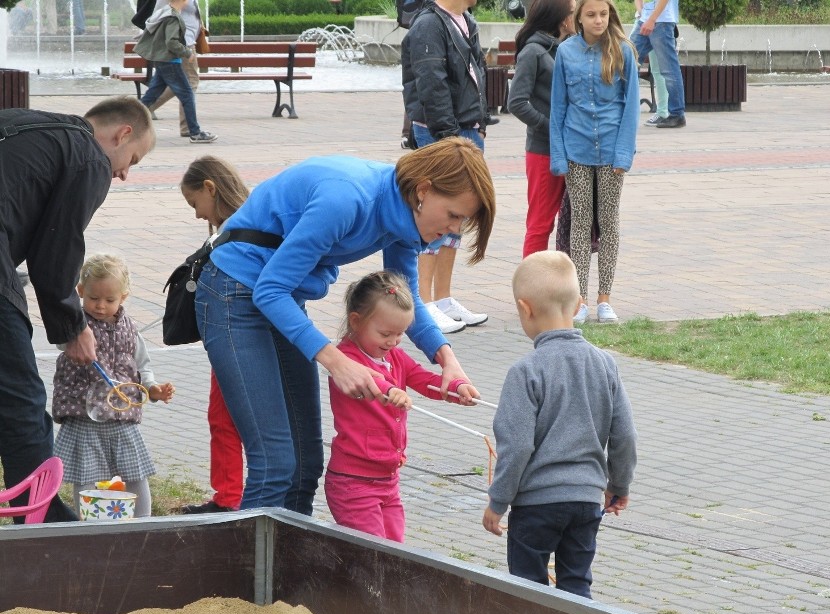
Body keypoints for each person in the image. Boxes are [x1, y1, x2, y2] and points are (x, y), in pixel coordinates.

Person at [195, 136, 495, 515]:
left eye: (462, 222)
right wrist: (337, 361)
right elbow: (270, 291)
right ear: (423, 190)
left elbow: (410, 301)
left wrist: (446, 360)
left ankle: (288, 568)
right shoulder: (348, 200)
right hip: (232, 292)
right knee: (275, 463)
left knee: (304, 464)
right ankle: (248, 572)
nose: (453, 230)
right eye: (453, 215)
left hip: (279, 296)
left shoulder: (406, 221)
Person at [0, 96, 155, 523]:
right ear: (122, 134)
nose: (123, 173)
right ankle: (42, 520)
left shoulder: (25, 123)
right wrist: (73, 326)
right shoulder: (88, 156)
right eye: (132, 159)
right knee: (20, 399)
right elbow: (57, 249)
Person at [482, 250, 637, 598]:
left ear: (525, 308)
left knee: (528, 590)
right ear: (580, 302)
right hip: (585, 501)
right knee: (576, 584)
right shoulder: (605, 364)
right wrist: (619, 484)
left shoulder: (526, 371)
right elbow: (625, 435)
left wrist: (498, 501)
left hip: (536, 504)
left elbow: (517, 446)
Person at [325, 271, 476, 542]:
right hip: (353, 482)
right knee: (374, 556)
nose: (393, 341)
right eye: (385, 333)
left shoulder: (395, 356)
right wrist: (392, 391)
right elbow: (373, 384)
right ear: (356, 322)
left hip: (388, 480)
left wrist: (456, 389)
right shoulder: (346, 359)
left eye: (400, 334)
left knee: (396, 551)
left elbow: (425, 380)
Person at [52, 255, 175, 519]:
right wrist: (73, 330)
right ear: (80, 292)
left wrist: (152, 388)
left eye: (110, 300)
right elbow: (62, 343)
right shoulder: (76, 325)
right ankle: (91, 526)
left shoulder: (130, 328)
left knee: (136, 474)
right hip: (84, 415)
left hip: (123, 417)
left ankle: (142, 525)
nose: (100, 306)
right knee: (87, 476)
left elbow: (142, 364)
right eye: (93, 298)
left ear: (124, 297)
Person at [401, 0, 490, 334]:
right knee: (434, 214)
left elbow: (476, 73)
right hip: (444, 132)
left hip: (467, 128)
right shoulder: (428, 24)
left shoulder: (465, 19)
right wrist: (449, 138)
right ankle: (423, 304)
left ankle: (443, 299)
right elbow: (431, 84)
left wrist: (479, 124)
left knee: (458, 216)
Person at [550, 0, 639, 324]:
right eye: (591, 15)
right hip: (576, 149)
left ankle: (605, 299)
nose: (598, 20)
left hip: (612, 149)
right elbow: (558, 107)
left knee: (609, 219)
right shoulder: (565, 52)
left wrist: (624, 154)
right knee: (580, 222)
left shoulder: (622, 51)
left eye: (603, 14)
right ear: (579, 18)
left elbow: (630, 107)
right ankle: (580, 300)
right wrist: (559, 155)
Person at [178, 156, 249, 514]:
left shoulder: (241, 230)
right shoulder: (235, 227)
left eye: (195, 204)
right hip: (227, 338)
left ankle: (232, 498)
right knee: (222, 419)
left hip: (239, 338)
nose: (196, 215)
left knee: (235, 421)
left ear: (210, 188)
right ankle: (227, 497)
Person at [508, 0, 575, 257]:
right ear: (560, 19)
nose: (577, 16)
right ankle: (530, 290)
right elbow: (516, 102)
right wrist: (550, 128)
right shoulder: (534, 51)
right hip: (543, 150)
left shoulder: (565, 48)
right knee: (540, 224)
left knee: (569, 224)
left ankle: (559, 286)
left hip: (569, 148)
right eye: (572, 13)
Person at [134, 0, 217, 143]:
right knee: (187, 91)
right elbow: (171, 42)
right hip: (174, 55)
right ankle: (194, 132)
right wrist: (187, 52)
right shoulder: (173, 17)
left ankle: (128, 119)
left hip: (167, 57)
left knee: (153, 94)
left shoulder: (172, 14)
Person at [147, 0, 204, 138]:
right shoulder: (172, 15)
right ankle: (191, 129)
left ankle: (135, 113)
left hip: (184, 44)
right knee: (188, 87)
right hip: (181, 47)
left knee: (166, 88)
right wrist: (187, 52)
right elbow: (160, 16)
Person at [630, 0, 684, 128]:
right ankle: (620, 106)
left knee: (669, 70)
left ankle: (677, 114)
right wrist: (642, 12)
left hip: (662, 21)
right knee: (627, 61)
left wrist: (652, 19)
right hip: (645, 20)